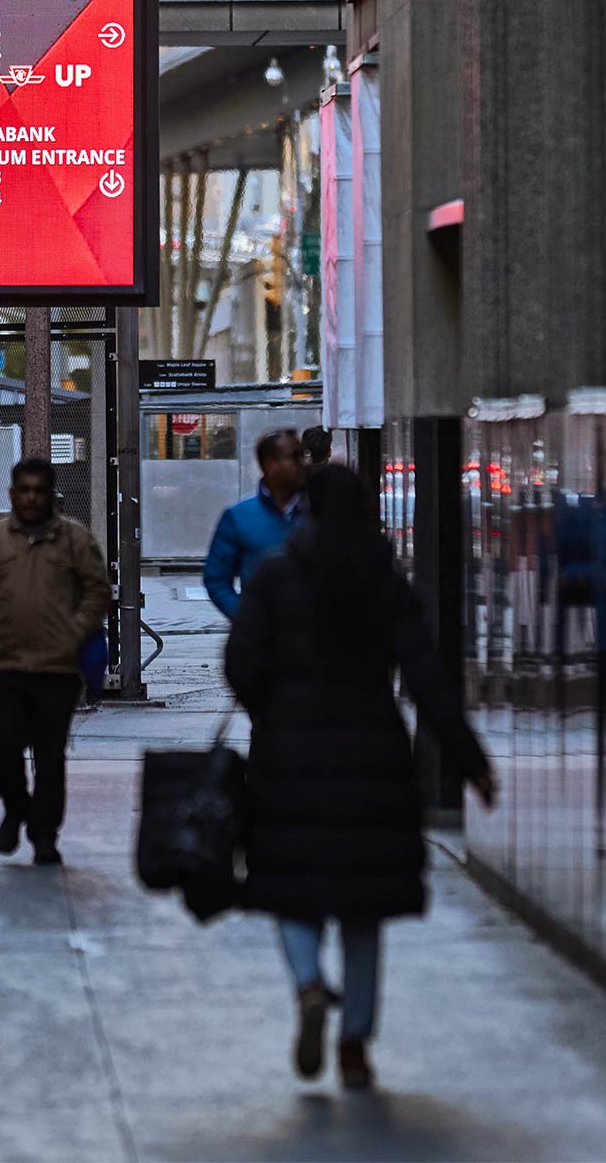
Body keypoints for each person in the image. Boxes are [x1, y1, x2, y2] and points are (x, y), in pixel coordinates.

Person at [225, 465, 497, 1089]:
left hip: (289, 758)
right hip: (372, 755)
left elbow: (240, 663)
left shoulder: (274, 577)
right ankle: (355, 1045)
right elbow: (428, 678)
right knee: (363, 910)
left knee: (290, 888)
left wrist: (273, 711)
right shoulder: (385, 583)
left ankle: (310, 986)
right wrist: (470, 760)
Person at [0, 457, 111, 867]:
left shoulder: (75, 540)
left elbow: (98, 592)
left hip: (58, 669)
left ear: (51, 495)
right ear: (11, 493)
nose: (31, 498)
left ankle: (44, 835)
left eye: (39, 490)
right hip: (7, 665)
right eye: (24, 490)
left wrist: (74, 632)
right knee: (4, 743)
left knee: (49, 754)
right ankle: (15, 807)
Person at [202, 428, 310, 620]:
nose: (303, 463)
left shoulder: (319, 513)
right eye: (294, 457)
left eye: (303, 455)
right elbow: (216, 579)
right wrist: (246, 617)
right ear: (271, 466)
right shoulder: (239, 517)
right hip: (263, 642)